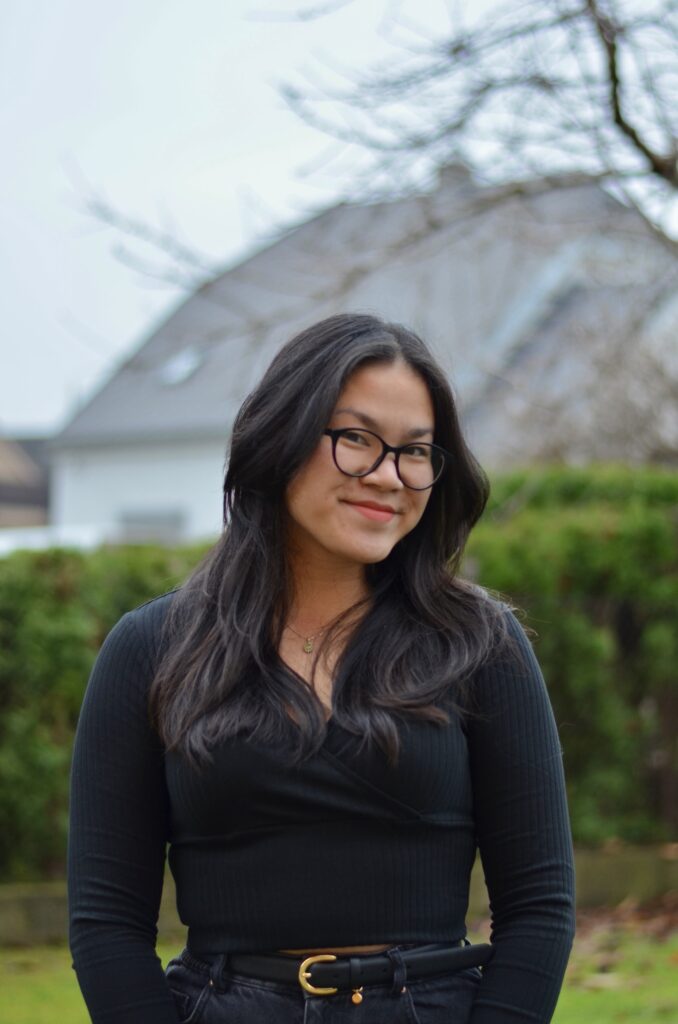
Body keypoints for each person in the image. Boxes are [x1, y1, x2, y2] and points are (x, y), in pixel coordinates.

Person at [68, 312, 576, 1024]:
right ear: (282, 435)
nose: (388, 476)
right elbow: (106, 925)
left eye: (415, 451)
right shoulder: (151, 648)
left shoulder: (480, 645)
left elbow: (540, 907)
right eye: (356, 439)